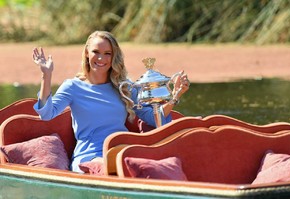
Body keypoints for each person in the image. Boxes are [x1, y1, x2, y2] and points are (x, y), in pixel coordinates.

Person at [32, 30, 190, 173]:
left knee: (151, 167)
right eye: (96, 52)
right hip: (89, 157)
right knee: (113, 168)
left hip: (122, 151)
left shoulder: (124, 86)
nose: (101, 58)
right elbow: (46, 114)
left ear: (114, 56)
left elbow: (155, 118)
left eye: (108, 53)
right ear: (87, 53)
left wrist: (175, 95)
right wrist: (46, 75)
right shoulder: (72, 86)